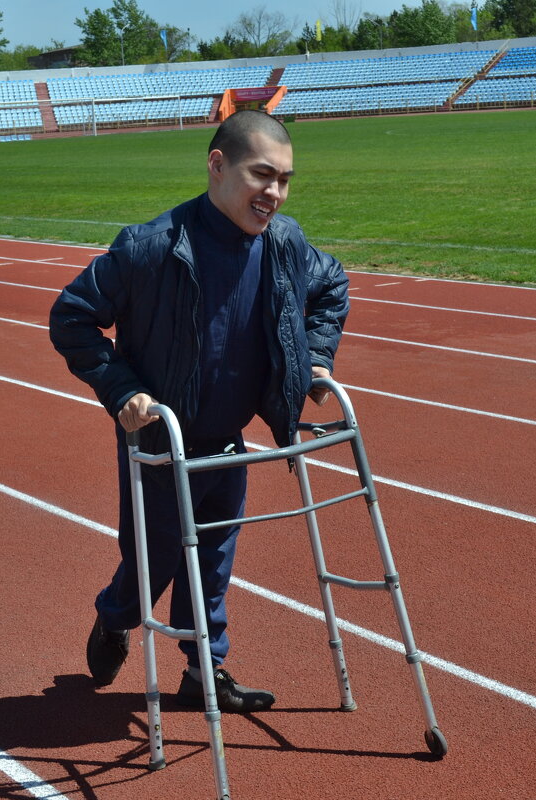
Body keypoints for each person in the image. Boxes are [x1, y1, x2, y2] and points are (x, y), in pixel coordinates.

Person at [49, 110, 349, 712]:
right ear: (217, 167)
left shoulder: (284, 242)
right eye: (262, 174)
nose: (275, 193)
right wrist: (121, 388)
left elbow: (331, 287)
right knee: (153, 560)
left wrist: (314, 360)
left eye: (285, 180)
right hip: (162, 440)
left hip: (227, 438)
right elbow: (72, 316)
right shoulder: (150, 248)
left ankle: (203, 671)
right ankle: (115, 618)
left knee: (212, 557)